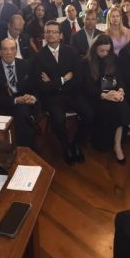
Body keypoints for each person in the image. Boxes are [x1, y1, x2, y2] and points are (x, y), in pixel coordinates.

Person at [81, 35, 130, 164]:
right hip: (96, 97)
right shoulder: (86, 62)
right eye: (101, 51)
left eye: (107, 51)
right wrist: (104, 95)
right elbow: (87, 88)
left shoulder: (113, 58)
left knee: (119, 102)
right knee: (118, 105)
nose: (105, 54)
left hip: (113, 93)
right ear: (94, 49)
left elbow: (120, 79)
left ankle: (118, 145)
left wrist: (121, 90)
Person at [30, 21, 94, 164]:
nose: (51, 34)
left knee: (89, 115)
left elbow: (78, 76)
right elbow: (41, 85)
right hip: (53, 97)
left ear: (60, 35)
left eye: (54, 32)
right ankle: (66, 146)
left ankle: (76, 143)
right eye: (48, 31)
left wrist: (54, 82)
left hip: (72, 93)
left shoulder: (71, 51)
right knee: (58, 120)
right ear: (44, 35)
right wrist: (64, 79)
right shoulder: (38, 57)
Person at [0, 38, 38, 149]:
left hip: (24, 101)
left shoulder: (26, 65)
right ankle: (21, 150)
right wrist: (15, 100)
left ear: (16, 51)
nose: (8, 52)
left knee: (23, 114)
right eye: (5, 49)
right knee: (21, 116)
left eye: (12, 49)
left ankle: (25, 151)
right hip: (2, 105)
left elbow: (34, 88)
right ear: (0, 52)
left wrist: (32, 97)